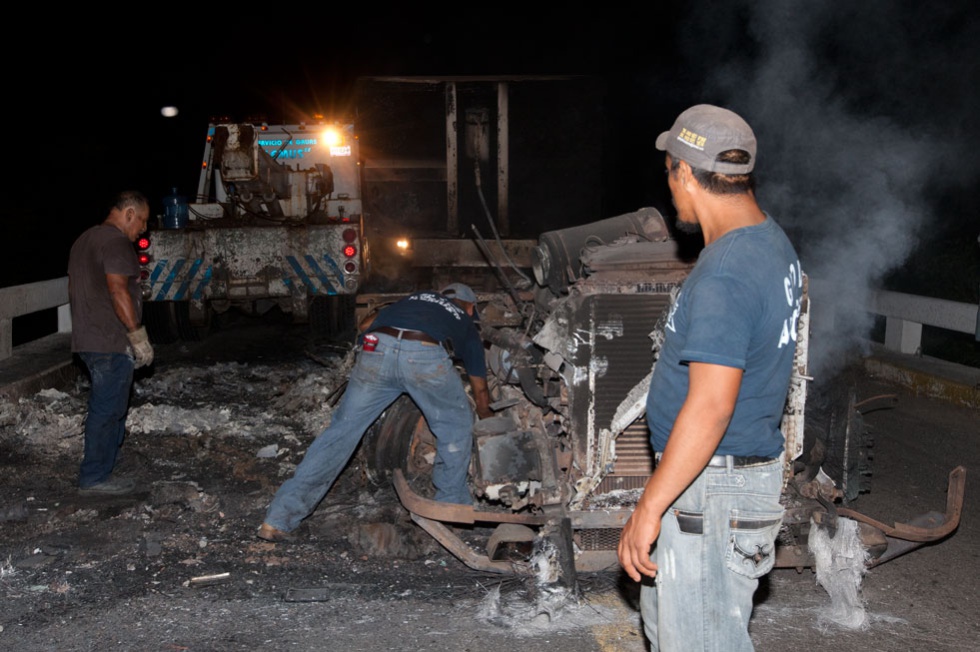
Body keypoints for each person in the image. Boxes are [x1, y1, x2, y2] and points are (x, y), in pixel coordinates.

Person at [617, 104, 804, 651]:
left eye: (669, 174)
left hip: (713, 493)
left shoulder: (724, 273)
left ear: (682, 172)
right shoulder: (771, 243)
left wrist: (649, 508)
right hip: (723, 483)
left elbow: (712, 405)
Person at [258, 282, 492, 542]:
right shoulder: (465, 320)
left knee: (340, 433)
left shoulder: (415, 297)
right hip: (423, 354)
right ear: (470, 308)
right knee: (456, 425)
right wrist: (488, 418)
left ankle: (279, 520)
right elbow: (480, 392)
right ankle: (451, 512)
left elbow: (365, 325)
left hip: (376, 348)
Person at [68, 190, 154, 496]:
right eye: (141, 220)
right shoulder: (116, 243)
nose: (142, 229)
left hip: (87, 337)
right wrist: (137, 335)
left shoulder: (85, 239)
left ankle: (104, 468)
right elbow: (118, 291)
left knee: (112, 405)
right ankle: (94, 478)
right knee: (107, 409)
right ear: (129, 213)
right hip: (109, 339)